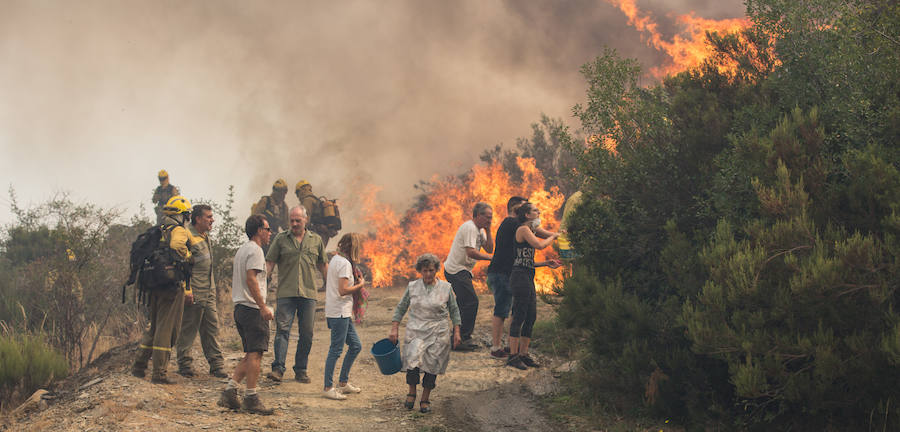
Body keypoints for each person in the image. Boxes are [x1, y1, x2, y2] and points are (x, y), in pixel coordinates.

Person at [486, 197, 560, 358]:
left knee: (516, 310)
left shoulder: (519, 226)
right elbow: (539, 235)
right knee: (502, 309)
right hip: (501, 272)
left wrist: (556, 237)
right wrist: (556, 235)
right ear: (516, 210)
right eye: (523, 208)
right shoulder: (512, 223)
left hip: (511, 271)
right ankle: (496, 347)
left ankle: (509, 346)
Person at [389, 253, 462, 414]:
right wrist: (394, 328)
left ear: (436, 270)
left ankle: (425, 398)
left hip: (438, 331)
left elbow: (454, 310)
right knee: (413, 361)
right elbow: (401, 307)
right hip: (416, 329)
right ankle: (412, 392)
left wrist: (457, 331)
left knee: (433, 365)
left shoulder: (446, 288)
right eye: (424, 271)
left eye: (431, 270)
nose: (428, 274)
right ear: (420, 271)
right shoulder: (413, 287)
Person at [131, 195, 193, 384]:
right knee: (167, 329)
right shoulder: (179, 230)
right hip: (170, 287)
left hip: (154, 284)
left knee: (154, 325)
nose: (188, 220)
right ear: (181, 215)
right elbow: (177, 246)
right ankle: (159, 373)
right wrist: (188, 256)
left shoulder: (159, 230)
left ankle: (139, 366)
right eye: (187, 216)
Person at [217, 214, 275, 415]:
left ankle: (230, 391)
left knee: (251, 353)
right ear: (259, 230)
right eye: (268, 229)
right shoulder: (256, 251)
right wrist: (262, 307)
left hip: (240, 308)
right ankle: (251, 397)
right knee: (255, 354)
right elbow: (251, 279)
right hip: (251, 309)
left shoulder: (242, 250)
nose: (270, 233)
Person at [265, 206, 328, 383]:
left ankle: (301, 370)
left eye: (297, 220)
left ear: (305, 220)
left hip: (308, 294)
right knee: (282, 330)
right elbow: (269, 263)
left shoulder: (316, 240)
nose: (294, 223)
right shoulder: (280, 239)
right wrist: (262, 282)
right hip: (286, 292)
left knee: (306, 333)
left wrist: (331, 287)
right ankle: (278, 369)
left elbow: (323, 265)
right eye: (291, 220)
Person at [506, 202, 561, 370]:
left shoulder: (531, 230)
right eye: (535, 211)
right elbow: (540, 245)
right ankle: (513, 356)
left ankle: (524, 354)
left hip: (528, 274)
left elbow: (527, 259)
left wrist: (546, 262)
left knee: (531, 315)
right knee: (519, 315)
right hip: (519, 277)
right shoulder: (523, 230)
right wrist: (554, 236)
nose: (539, 212)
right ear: (527, 215)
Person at [175, 204, 227, 378]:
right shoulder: (187, 235)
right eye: (209, 217)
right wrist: (187, 290)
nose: (212, 220)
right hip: (194, 291)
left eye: (212, 216)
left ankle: (217, 365)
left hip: (209, 290)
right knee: (189, 328)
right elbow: (182, 267)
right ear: (198, 219)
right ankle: (184, 364)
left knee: (212, 328)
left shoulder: (204, 236)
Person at [443, 202, 493, 350]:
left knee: (463, 303)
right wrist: (491, 259)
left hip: (461, 270)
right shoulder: (470, 228)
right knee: (471, 302)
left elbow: (490, 248)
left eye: (491, 218)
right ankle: (463, 338)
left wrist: (489, 231)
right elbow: (471, 252)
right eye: (487, 217)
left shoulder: (480, 230)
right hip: (456, 270)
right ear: (478, 215)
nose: (489, 220)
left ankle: (457, 337)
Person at [321, 233, 366, 400]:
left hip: (341, 312)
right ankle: (327, 387)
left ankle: (343, 383)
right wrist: (360, 285)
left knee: (356, 345)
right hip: (339, 311)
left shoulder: (336, 260)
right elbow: (343, 290)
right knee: (336, 350)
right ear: (353, 247)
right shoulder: (345, 264)